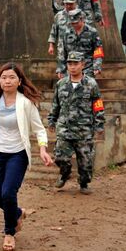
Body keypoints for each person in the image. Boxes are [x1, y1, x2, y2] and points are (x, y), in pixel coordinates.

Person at [0, 63, 53, 251]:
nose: (7, 81)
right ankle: (17, 213)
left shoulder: (26, 103)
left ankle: (9, 233)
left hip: (17, 154)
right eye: (3, 77)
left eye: (11, 77)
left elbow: (38, 128)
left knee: (8, 193)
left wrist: (42, 149)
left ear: (19, 81)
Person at [48, 51, 105, 194]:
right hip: (64, 128)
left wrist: (99, 123)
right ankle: (64, 173)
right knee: (60, 156)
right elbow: (56, 104)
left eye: (76, 64)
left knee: (85, 162)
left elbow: (98, 104)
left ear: (83, 65)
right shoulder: (61, 84)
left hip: (84, 130)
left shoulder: (91, 84)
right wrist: (52, 120)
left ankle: (84, 183)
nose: (72, 67)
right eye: (69, 64)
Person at [56, 8, 104, 78]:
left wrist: (97, 66)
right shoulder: (66, 33)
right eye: (72, 23)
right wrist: (61, 68)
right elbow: (62, 51)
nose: (74, 25)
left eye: (76, 23)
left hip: (87, 68)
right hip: (71, 68)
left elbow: (98, 49)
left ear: (81, 19)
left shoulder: (92, 32)